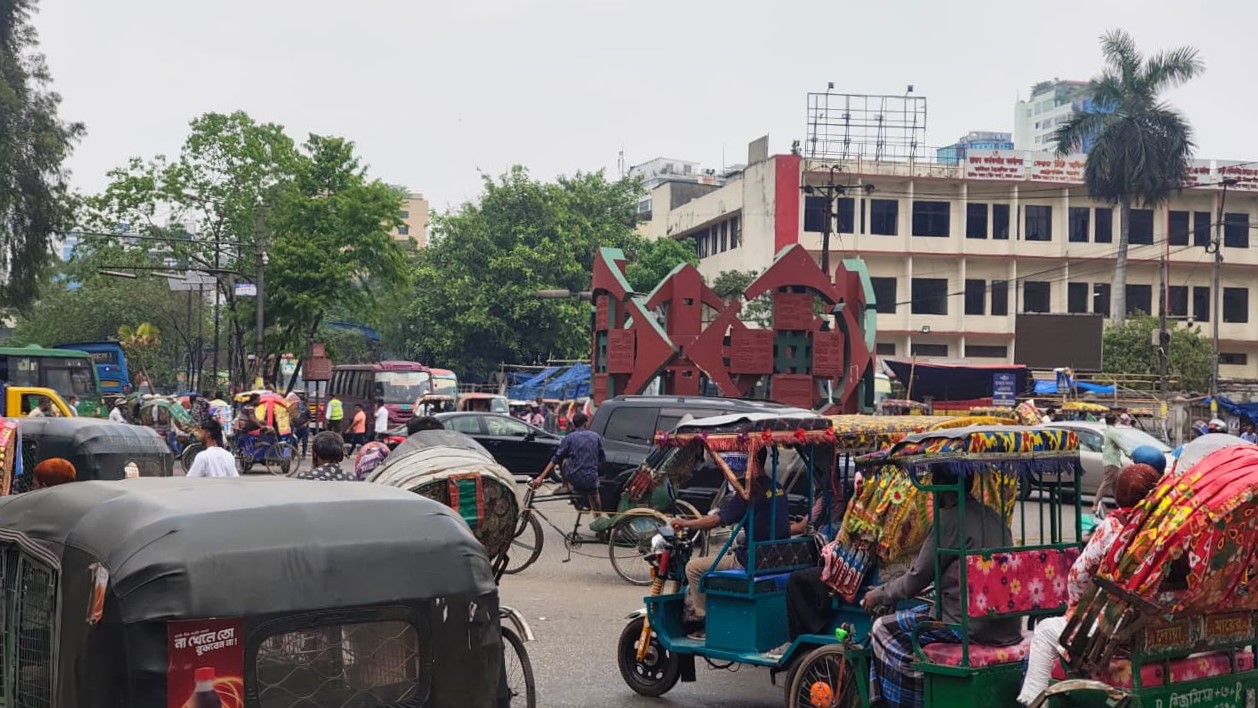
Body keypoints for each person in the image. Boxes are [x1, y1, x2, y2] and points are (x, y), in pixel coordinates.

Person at [861, 464, 1022, 708]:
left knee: (882, 627)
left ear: (941, 488)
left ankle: (909, 699)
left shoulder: (949, 520)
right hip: (1006, 626)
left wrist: (878, 594)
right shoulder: (994, 517)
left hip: (967, 627)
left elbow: (915, 580)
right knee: (917, 617)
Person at [1017, 463, 1162, 705]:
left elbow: (1078, 575)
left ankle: (1034, 702)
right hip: (1156, 632)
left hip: (1115, 634)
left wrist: (1080, 604)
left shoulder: (1114, 527)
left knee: (1043, 631)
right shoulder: (1166, 532)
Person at [671, 446, 790, 640]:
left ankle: (705, 622)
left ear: (753, 462)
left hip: (752, 561)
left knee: (693, 567)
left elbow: (716, 521)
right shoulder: (777, 487)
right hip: (777, 557)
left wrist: (686, 523)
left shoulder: (749, 492)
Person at [528, 412, 604, 504]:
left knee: (563, 459)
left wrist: (540, 478)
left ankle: (565, 486)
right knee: (594, 494)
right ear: (585, 423)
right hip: (591, 479)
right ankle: (598, 515)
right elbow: (602, 458)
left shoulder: (569, 438)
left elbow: (555, 458)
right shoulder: (595, 437)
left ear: (574, 424)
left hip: (575, 479)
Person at [288, 392, 311, 457]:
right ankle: (292, 454)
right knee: (293, 441)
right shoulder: (294, 408)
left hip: (304, 428)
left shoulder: (306, 409)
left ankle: (303, 454)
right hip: (295, 428)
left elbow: (309, 419)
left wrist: (306, 424)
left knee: (304, 441)